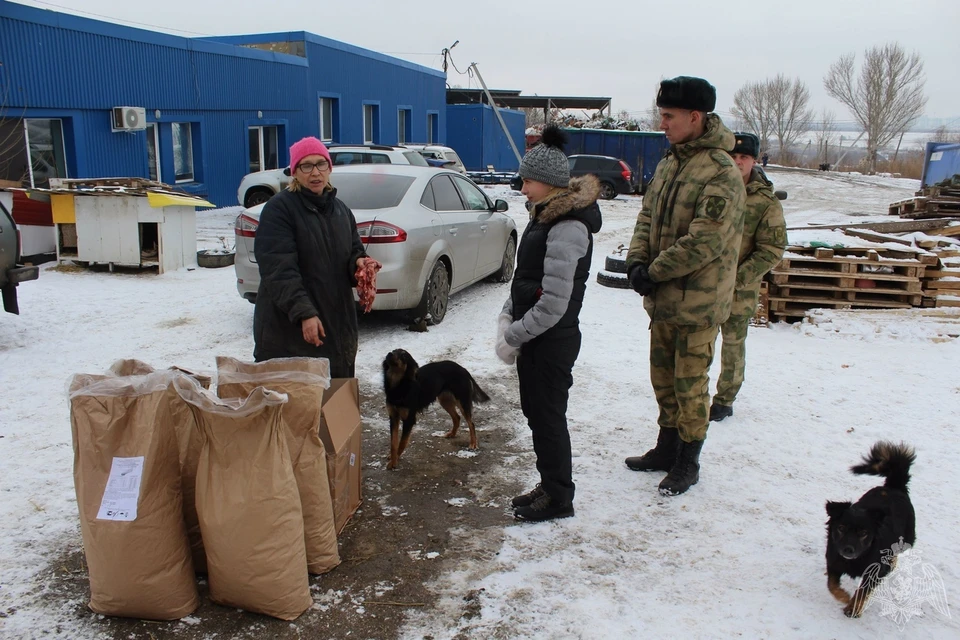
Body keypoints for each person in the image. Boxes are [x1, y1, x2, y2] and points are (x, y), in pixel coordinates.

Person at [623, 76, 746, 496]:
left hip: (698, 303)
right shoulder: (669, 163)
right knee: (662, 379)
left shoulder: (722, 172)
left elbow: (705, 241)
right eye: (661, 115)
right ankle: (666, 447)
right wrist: (636, 259)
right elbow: (646, 217)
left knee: (690, 384)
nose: (663, 124)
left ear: (695, 117)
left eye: (669, 116)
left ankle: (688, 461)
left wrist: (652, 271)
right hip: (663, 300)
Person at [496, 124, 602, 522]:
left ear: (547, 182)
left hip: (552, 338)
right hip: (536, 337)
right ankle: (549, 483)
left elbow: (555, 302)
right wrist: (510, 311)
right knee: (536, 414)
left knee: (548, 418)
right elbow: (527, 280)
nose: (522, 188)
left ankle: (559, 498)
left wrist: (513, 335)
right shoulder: (543, 218)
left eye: (527, 180)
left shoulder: (568, 227)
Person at [253, 136, 379, 378]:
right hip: (290, 331)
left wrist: (359, 263)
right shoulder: (279, 210)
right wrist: (304, 313)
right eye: (306, 166)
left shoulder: (341, 210)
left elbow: (352, 250)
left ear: (329, 168)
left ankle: (336, 417)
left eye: (321, 164)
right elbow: (279, 270)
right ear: (294, 172)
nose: (315, 173)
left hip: (337, 326)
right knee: (299, 408)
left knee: (337, 406)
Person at [709, 133, 787, 421]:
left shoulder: (765, 202)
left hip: (739, 289)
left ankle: (724, 399)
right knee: (697, 343)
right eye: (734, 157)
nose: (738, 162)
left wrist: (739, 277)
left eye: (744, 157)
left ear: (754, 160)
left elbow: (773, 248)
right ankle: (692, 396)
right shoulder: (713, 190)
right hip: (704, 286)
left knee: (732, 344)